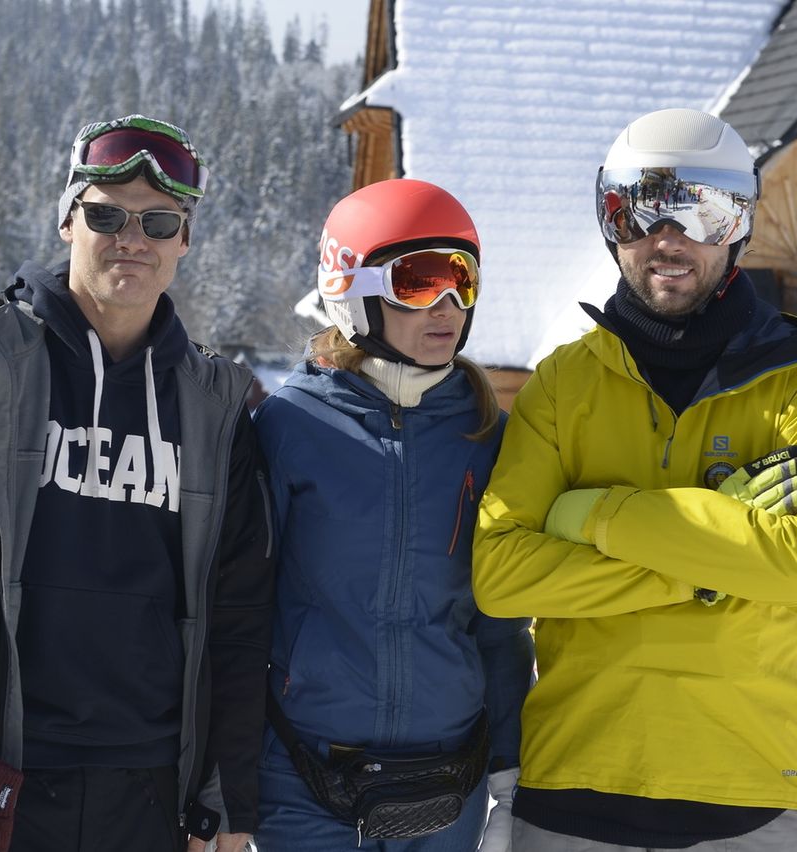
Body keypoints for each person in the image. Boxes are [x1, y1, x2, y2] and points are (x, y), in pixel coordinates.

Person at [0, 114, 275, 852]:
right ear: (66, 221)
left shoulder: (216, 408)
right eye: (106, 214)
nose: (132, 237)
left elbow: (239, 618)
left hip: (151, 792)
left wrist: (228, 801)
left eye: (158, 220)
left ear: (185, 238)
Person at [473, 108, 797, 851]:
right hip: (576, 775)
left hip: (748, 786)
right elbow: (503, 575)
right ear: (609, 222)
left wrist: (597, 515)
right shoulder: (562, 383)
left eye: (702, 211)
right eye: (638, 210)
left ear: (739, 224)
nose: (667, 238)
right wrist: (707, 569)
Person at [253, 179, 534, 851]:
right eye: (418, 282)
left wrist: (511, 772)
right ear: (353, 288)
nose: (446, 307)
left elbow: (499, 622)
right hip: (306, 771)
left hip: (448, 774)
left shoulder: (485, 436)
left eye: (460, 281)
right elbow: (241, 608)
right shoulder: (290, 426)